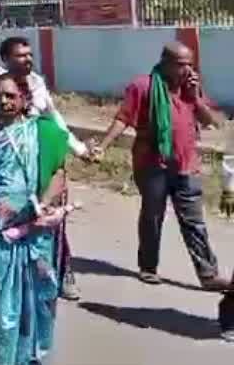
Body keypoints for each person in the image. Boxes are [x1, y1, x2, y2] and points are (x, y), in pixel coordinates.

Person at [0, 0, 87, 301]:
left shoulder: (37, 83)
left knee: (50, 215)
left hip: (42, 157)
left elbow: (53, 119)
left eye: (30, 54)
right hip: (6, 162)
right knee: (9, 222)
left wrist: (79, 149)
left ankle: (62, 272)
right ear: (6, 59)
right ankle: (5, 280)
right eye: (20, 56)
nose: (28, 60)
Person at [90, 42, 226, 290]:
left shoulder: (190, 89)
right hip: (152, 165)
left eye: (190, 64)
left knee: (194, 222)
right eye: (181, 64)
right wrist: (104, 145)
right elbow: (123, 119)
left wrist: (195, 98)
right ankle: (148, 267)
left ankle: (208, 274)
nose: (187, 70)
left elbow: (212, 122)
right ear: (165, 62)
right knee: (153, 216)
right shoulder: (143, 86)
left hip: (186, 166)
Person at [0, 74, 69, 365]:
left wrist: (43, 205)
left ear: (24, 99)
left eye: (11, 96)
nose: (4, 101)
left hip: (35, 223)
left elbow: (59, 173)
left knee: (39, 285)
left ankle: (29, 352)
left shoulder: (43, 133)